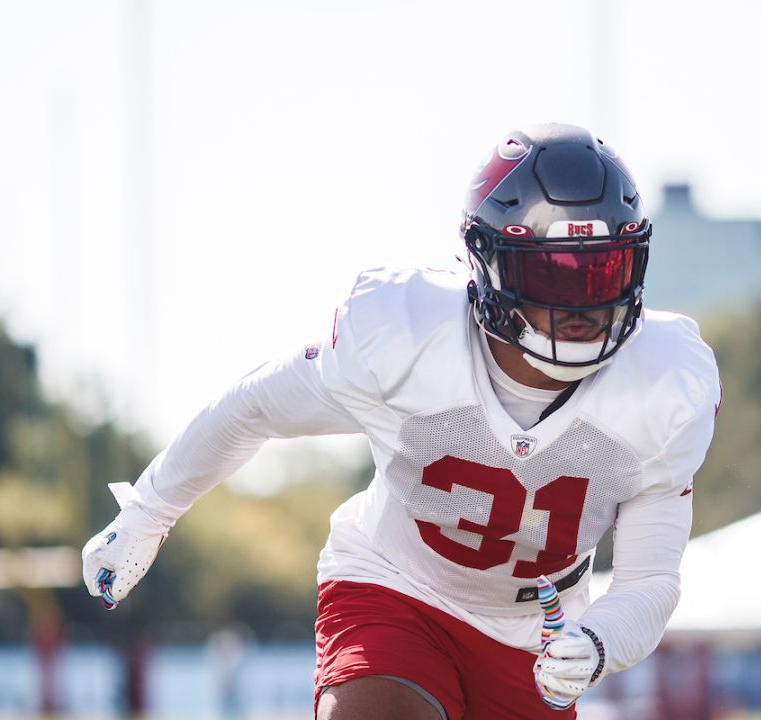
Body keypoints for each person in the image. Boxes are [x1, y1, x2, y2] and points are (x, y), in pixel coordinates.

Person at [82, 122, 721, 720]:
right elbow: (254, 407)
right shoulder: (405, 335)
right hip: (397, 587)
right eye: (553, 273)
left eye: (602, 270)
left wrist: (597, 641)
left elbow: (651, 580)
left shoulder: (665, 385)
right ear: (489, 264)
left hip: (535, 635)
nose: (582, 306)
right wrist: (148, 511)